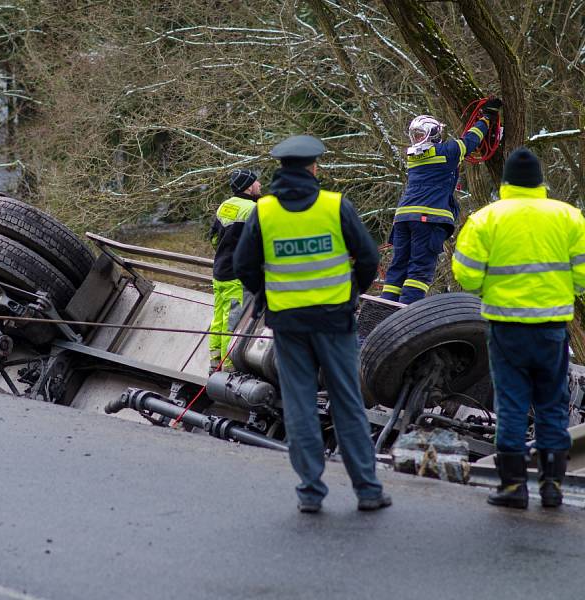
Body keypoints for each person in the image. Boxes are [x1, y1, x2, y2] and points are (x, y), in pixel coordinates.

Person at [234, 134, 389, 513]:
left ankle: (310, 492)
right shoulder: (335, 206)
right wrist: (352, 291)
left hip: (287, 325)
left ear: (280, 170)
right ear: (314, 167)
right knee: (348, 402)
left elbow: (242, 266)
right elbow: (369, 259)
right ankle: (367, 490)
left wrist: (266, 295)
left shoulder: (264, 212)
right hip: (335, 321)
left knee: (300, 405)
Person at [452, 147, 585, 509]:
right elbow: (583, 274)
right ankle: (552, 485)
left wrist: (488, 289)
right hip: (552, 328)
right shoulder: (569, 217)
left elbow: (465, 273)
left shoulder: (486, 218)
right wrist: (565, 290)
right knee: (552, 404)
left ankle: (512, 487)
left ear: (506, 181)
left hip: (506, 327)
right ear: (540, 181)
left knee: (510, 404)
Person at [381, 98, 502, 304]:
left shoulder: (413, 157)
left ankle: (384, 308)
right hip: (427, 219)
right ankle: (406, 312)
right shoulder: (446, 152)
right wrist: (487, 119)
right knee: (419, 270)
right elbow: (470, 140)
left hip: (402, 218)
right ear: (436, 134)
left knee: (398, 267)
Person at [207, 168, 261, 372]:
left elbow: (214, 238)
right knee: (233, 321)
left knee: (219, 318)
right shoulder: (253, 210)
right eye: (256, 182)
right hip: (237, 277)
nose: (259, 185)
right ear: (248, 187)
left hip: (219, 271)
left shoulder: (225, 206)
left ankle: (214, 361)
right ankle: (228, 366)